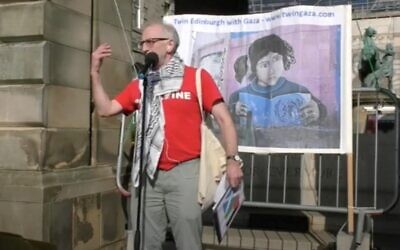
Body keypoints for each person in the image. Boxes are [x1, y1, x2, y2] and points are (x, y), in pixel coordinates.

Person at [91, 21, 243, 250]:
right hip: (147, 174)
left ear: (170, 45)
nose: (144, 48)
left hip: (186, 172)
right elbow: (105, 109)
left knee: (188, 240)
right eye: (142, 42)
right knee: (146, 242)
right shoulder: (141, 83)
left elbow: (225, 120)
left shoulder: (197, 77)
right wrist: (94, 72)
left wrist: (233, 160)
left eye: (150, 42)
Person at [229, 34, 327, 146]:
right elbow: (224, 123)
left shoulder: (299, 91)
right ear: (254, 68)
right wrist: (233, 110)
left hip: (289, 154)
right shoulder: (239, 96)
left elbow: (321, 114)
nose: (272, 69)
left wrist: (318, 111)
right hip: (252, 155)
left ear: (284, 59)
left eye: (276, 59)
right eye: (264, 65)